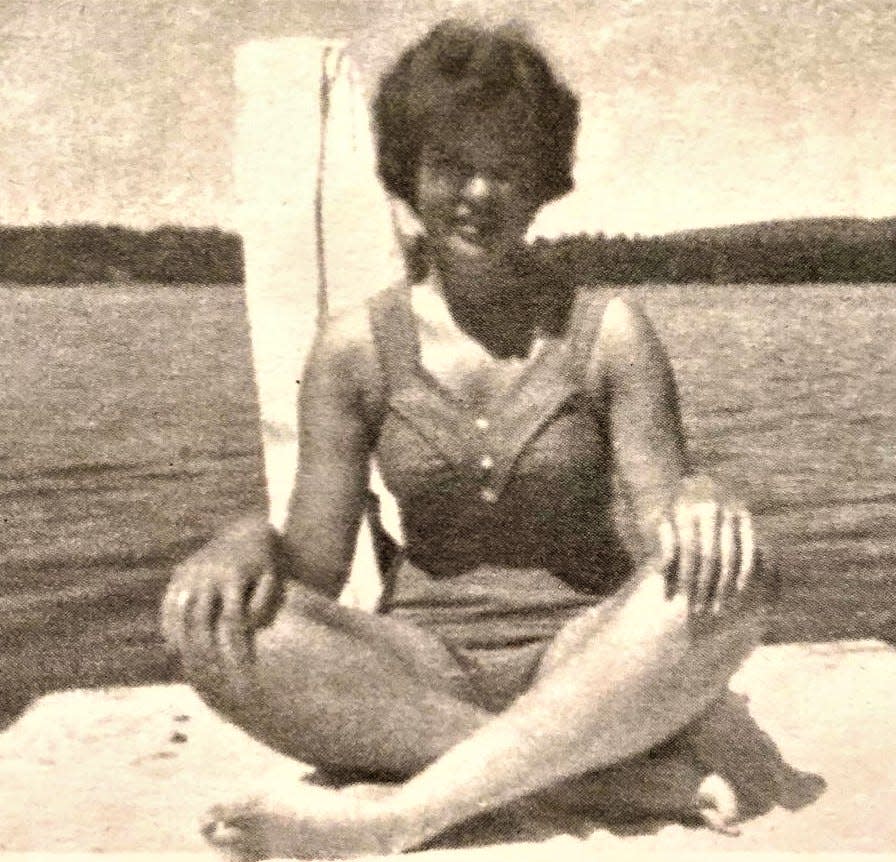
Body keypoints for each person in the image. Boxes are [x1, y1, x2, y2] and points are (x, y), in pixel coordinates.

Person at [161, 20, 812, 860]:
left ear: (542, 185)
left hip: (587, 660)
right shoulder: (356, 349)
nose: (478, 192)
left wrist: (703, 496)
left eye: (505, 168)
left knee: (738, 577)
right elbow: (314, 567)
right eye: (450, 165)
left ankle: (396, 817)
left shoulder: (608, 334)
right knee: (214, 628)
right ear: (409, 177)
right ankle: (593, 776)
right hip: (415, 666)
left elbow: (665, 528)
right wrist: (240, 539)